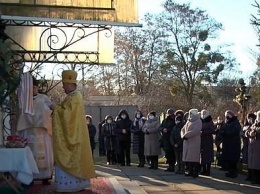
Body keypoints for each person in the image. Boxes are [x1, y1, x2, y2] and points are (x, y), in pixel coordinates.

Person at [52, 70, 95, 192]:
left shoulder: (75, 97)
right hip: (73, 133)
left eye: (64, 84)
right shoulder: (72, 97)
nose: (63, 86)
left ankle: (72, 185)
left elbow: (67, 116)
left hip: (73, 136)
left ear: (70, 84)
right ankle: (74, 184)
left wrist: (55, 108)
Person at [17, 76, 54, 185]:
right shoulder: (23, 100)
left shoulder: (43, 98)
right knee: (29, 153)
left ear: (38, 87)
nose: (33, 89)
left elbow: (52, 108)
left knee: (44, 153)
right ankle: (29, 176)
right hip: (28, 131)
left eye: (34, 87)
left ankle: (45, 176)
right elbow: (21, 114)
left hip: (42, 131)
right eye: (30, 87)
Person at [220, 110, 241, 178]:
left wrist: (225, 133)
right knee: (228, 159)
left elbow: (234, 131)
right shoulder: (226, 122)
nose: (227, 117)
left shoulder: (236, 122)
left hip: (234, 144)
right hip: (227, 144)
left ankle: (234, 172)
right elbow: (222, 129)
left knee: (233, 159)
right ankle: (230, 171)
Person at [181, 109, 202, 178]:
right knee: (189, 158)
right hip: (187, 142)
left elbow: (196, 130)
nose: (190, 115)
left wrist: (186, 135)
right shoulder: (188, 121)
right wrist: (183, 135)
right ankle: (190, 171)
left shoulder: (198, 121)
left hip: (194, 141)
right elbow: (183, 129)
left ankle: (195, 172)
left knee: (194, 158)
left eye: (192, 113)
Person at [245, 111, 260, 184]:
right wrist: (249, 133)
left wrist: (255, 133)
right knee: (252, 162)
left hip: (258, 147)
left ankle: (256, 178)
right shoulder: (254, 124)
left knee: (257, 163)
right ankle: (251, 176)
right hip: (252, 146)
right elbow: (247, 131)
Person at [200, 109, 215, 176]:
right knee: (202, 155)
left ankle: (208, 170)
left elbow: (212, 130)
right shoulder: (200, 120)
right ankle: (203, 169)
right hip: (202, 140)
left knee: (208, 156)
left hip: (208, 140)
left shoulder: (210, 121)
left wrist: (204, 132)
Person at [170, 110, 185, 174]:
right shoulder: (174, 127)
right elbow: (171, 136)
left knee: (182, 159)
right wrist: (173, 143)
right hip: (175, 146)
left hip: (181, 145)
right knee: (177, 159)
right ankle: (178, 169)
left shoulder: (183, 127)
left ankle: (182, 169)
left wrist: (178, 144)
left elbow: (183, 137)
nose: (177, 121)